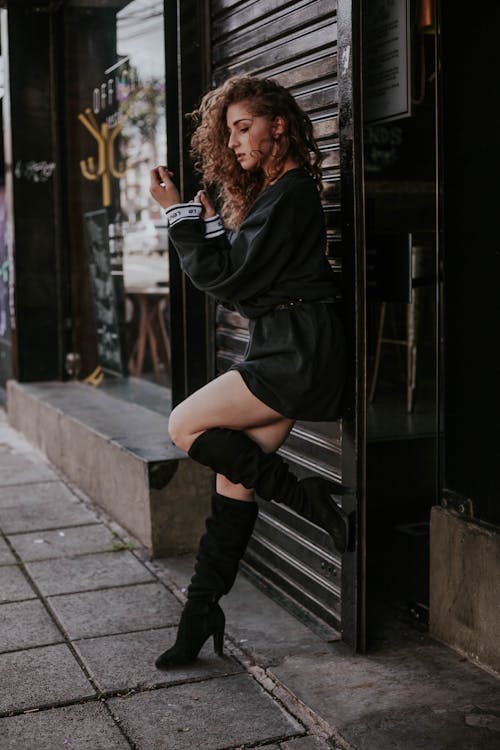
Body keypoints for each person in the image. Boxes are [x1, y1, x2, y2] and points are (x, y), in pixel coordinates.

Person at [149, 75, 349, 670]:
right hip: (286, 346)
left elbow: (229, 281)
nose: (234, 142)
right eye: (228, 131)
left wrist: (178, 217)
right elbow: (243, 279)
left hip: (295, 354)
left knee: (184, 426)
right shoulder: (279, 193)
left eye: (244, 128)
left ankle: (308, 497)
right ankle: (199, 617)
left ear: (278, 125)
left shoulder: (291, 193)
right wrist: (208, 226)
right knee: (233, 485)